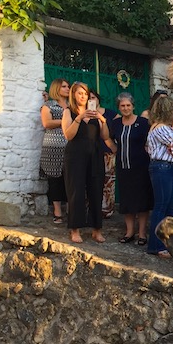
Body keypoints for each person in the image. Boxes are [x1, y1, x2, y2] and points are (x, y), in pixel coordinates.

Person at [62, 81, 110, 244]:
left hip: (95, 156)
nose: (83, 96)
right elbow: (68, 135)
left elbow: (105, 136)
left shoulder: (96, 113)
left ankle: (97, 230)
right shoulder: (69, 112)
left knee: (96, 191)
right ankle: (75, 230)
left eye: (85, 94)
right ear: (73, 95)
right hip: (75, 156)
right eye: (79, 93)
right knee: (76, 192)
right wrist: (80, 118)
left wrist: (102, 120)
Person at [106, 92, 152, 245]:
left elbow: (151, 140)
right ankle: (129, 232)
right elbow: (108, 138)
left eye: (128, 105)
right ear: (118, 107)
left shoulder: (143, 122)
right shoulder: (116, 124)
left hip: (140, 167)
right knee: (127, 200)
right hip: (123, 167)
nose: (125, 108)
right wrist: (114, 149)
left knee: (141, 200)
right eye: (122, 106)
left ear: (133, 106)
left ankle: (142, 234)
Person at [145, 96, 173, 258]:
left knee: (169, 207)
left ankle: (167, 244)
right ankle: (155, 245)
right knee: (161, 206)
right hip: (162, 168)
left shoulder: (165, 128)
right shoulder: (160, 128)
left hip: (170, 168)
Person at [39, 78, 70, 224]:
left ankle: (71, 208)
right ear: (57, 88)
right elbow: (47, 123)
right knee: (55, 179)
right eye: (64, 86)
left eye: (68, 86)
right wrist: (66, 121)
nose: (67, 88)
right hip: (53, 147)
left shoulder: (72, 105)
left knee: (70, 178)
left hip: (71, 146)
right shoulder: (49, 105)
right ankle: (57, 211)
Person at [88, 89, 118, 218]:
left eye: (93, 97)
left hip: (107, 152)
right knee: (91, 181)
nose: (91, 100)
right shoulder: (84, 114)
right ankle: (90, 210)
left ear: (98, 99)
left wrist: (115, 145)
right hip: (90, 151)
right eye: (89, 98)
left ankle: (107, 210)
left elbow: (121, 128)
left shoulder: (111, 113)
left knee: (108, 182)